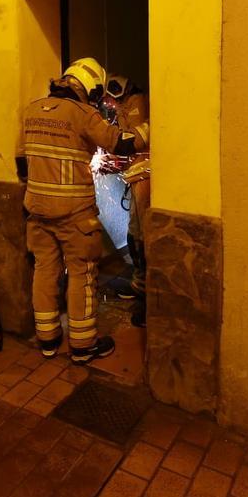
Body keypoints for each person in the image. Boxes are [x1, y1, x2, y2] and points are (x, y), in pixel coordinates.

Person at [19, 58, 148, 364]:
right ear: (89, 86)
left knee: (44, 270)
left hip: (36, 210)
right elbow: (121, 143)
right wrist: (149, 127)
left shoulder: (31, 110)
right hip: (74, 213)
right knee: (82, 274)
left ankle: (48, 339)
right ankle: (82, 346)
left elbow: (21, 165)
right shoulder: (82, 113)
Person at [105, 75, 150, 327]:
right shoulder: (125, 104)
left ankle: (146, 295)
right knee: (134, 230)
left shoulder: (139, 103)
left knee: (142, 233)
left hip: (146, 176)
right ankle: (138, 282)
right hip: (136, 174)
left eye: (110, 100)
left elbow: (138, 139)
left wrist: (124, 149)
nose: (109, 105)